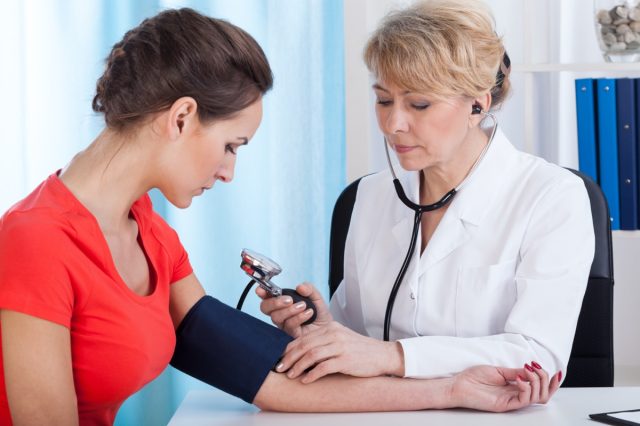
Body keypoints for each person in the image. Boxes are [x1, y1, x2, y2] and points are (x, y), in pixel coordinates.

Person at [0, 7, 559, 426]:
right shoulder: (35, 242)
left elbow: (265, 378)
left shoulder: (146, 228)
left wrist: (451, 389)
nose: (228, 173)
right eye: (232, 145)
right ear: (182, 117)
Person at [259, 0, 594, 387]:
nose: (393, 123)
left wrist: (394, 356)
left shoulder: (552, 198)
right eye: (383, 100)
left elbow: (539, 356)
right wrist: (320, 331)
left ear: (476, 104)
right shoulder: (368, 195)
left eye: (418, 103)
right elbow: (357, 337)